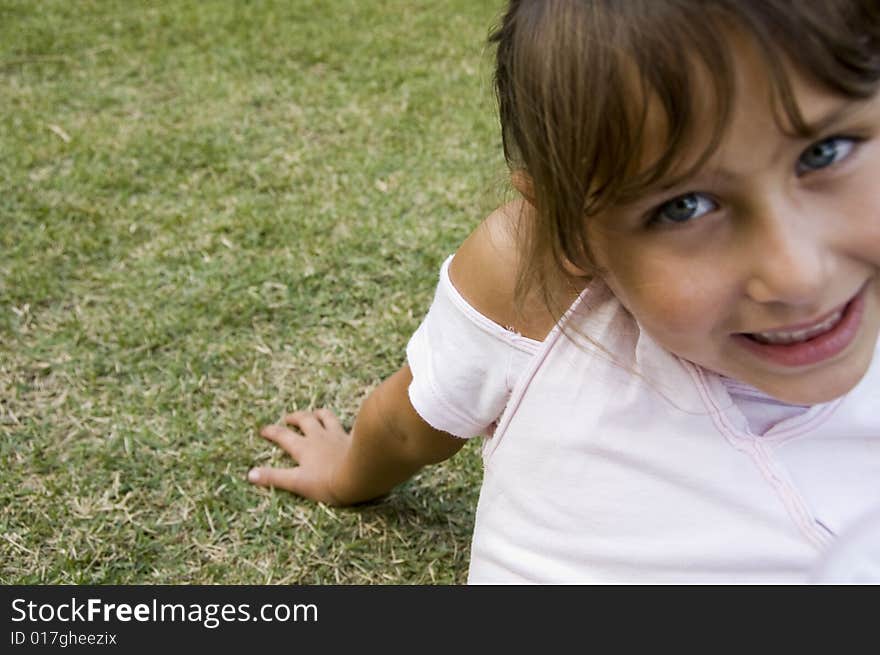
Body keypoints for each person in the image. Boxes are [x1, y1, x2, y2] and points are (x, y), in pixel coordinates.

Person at [248, 0, 880, 583]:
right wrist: (348, 472)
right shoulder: (538, 284)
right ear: (568, 231)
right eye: (685, 206)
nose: (800, 276)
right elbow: (413, 424)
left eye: (826, 152)